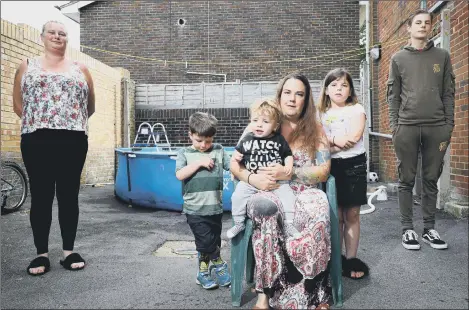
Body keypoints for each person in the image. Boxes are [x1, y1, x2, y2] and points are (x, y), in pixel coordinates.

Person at [231, 73, 332, 309]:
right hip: (266, 188)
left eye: (299, 94)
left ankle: (315, 293)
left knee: (318, 208)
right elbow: (235, 163)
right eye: (288, 92)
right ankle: (265, 294)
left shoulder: (315, 129)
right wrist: (252, 178)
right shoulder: (261, 122)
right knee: (264, 208)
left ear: (306, 100)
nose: (292, 99)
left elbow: (324, 170)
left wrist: (292, 172)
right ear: (280, 94)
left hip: (304, 189)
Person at [12, 20, 95, 276]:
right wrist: (42, 122)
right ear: (42, 37)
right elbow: (18, 104)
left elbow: (89, 107)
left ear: (66, 39)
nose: (57, 36)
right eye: (52, 32)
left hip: (73, 139)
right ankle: (41, 254)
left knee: (69, 195)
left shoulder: (80, 68)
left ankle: (69, 252)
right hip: (37, 139)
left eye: (62, 33)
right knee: (42, 196)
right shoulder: (27, 65)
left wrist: (68, 121)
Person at [387, 9, 455, 250]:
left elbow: (448, 92)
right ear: (409, 27)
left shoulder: (442, 56)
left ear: (430, 27)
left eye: (427, 23)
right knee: (406, 179)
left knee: (430, 179)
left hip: (437, 127)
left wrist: (449, 125)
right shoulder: (398, 58)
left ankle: (429, 228)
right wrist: (395, 127)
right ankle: (408, 230)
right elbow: (393, 96)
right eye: (418, 22)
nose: (423, 26)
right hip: (406, 127)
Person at [318, 68, 369, 280]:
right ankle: (336, 259)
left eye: (344, 85)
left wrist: (333, 143)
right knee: (335, 216)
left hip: (354, 166)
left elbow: (354, 137)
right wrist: (334, 144)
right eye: (334, 85)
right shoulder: (321, 114)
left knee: (352, 214)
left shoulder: (357, 109)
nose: (339, 89)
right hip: (331, 167)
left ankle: (351, 259)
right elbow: (319, 143)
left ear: (350, 90)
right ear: (327, 90)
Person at [175, 112, 232, 290]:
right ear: (190, 134)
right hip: (194, 208)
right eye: (199, 140)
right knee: (206, 240)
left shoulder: (219, 150)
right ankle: (219, 263)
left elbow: (233, 167)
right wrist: (199, 162)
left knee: (211, 242)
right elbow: (180, 175)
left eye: (208, 141)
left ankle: (203, 272)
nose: (204, 145)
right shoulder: (184, 153)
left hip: (215, 207)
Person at [227, 98, 298, 239]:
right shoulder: (247, 138)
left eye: (265, 122)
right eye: (255, 121)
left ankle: (289, 223)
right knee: (238, 195)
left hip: (276, 182)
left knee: (288, 196)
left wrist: (288, 165)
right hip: (251, 181)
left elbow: (287, 154)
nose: (259, 125)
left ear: (275, 125)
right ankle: (239, 222)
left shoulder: (278, 139)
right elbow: (237, 153)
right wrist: (236, 156)